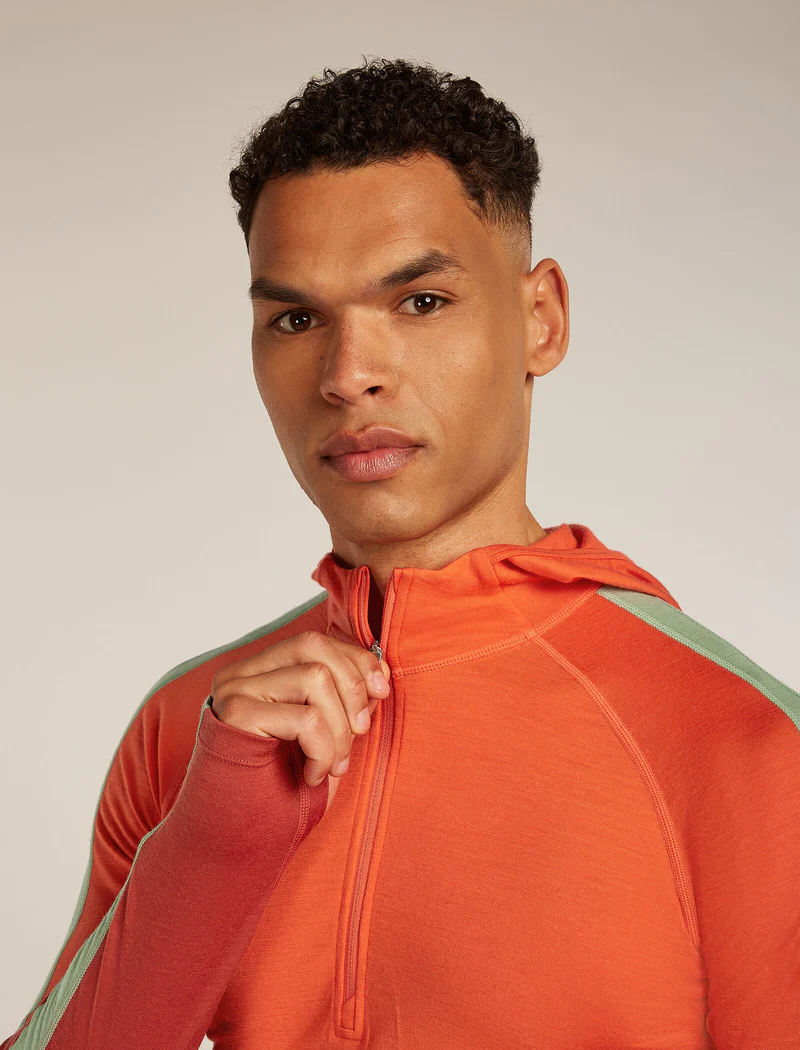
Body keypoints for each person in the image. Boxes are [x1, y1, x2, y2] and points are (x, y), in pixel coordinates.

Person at [3, 56, 798, 1050]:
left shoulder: (741, 743)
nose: (347, 375)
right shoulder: (193, 729)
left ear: (541, 320)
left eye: (419, 301)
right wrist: (208, 848)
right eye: (296, 319)